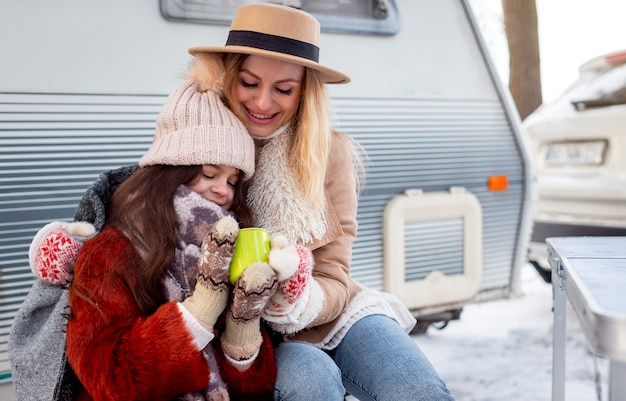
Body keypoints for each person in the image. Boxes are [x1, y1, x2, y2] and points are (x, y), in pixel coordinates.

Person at [16, 4, 455, 401]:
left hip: (329, 312)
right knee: (311, 379)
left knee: (416, 387)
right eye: (249, 82)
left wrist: (296, 300)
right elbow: (146, 202)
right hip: (250, 332)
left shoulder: (328, 152)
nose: (263, 103)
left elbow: (336, 274)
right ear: (229, 75)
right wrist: (76, 246)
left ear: (305, 93)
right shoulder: (201, 127)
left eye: (284, 89)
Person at [16, 53, 297, 401]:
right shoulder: (113, 250)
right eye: (208, 173)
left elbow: (252, 390)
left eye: (233, 180)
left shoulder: (228, 246)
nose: (223, 189)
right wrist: (198, 313)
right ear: (169, 171)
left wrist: (242, 332)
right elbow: (109, 376)